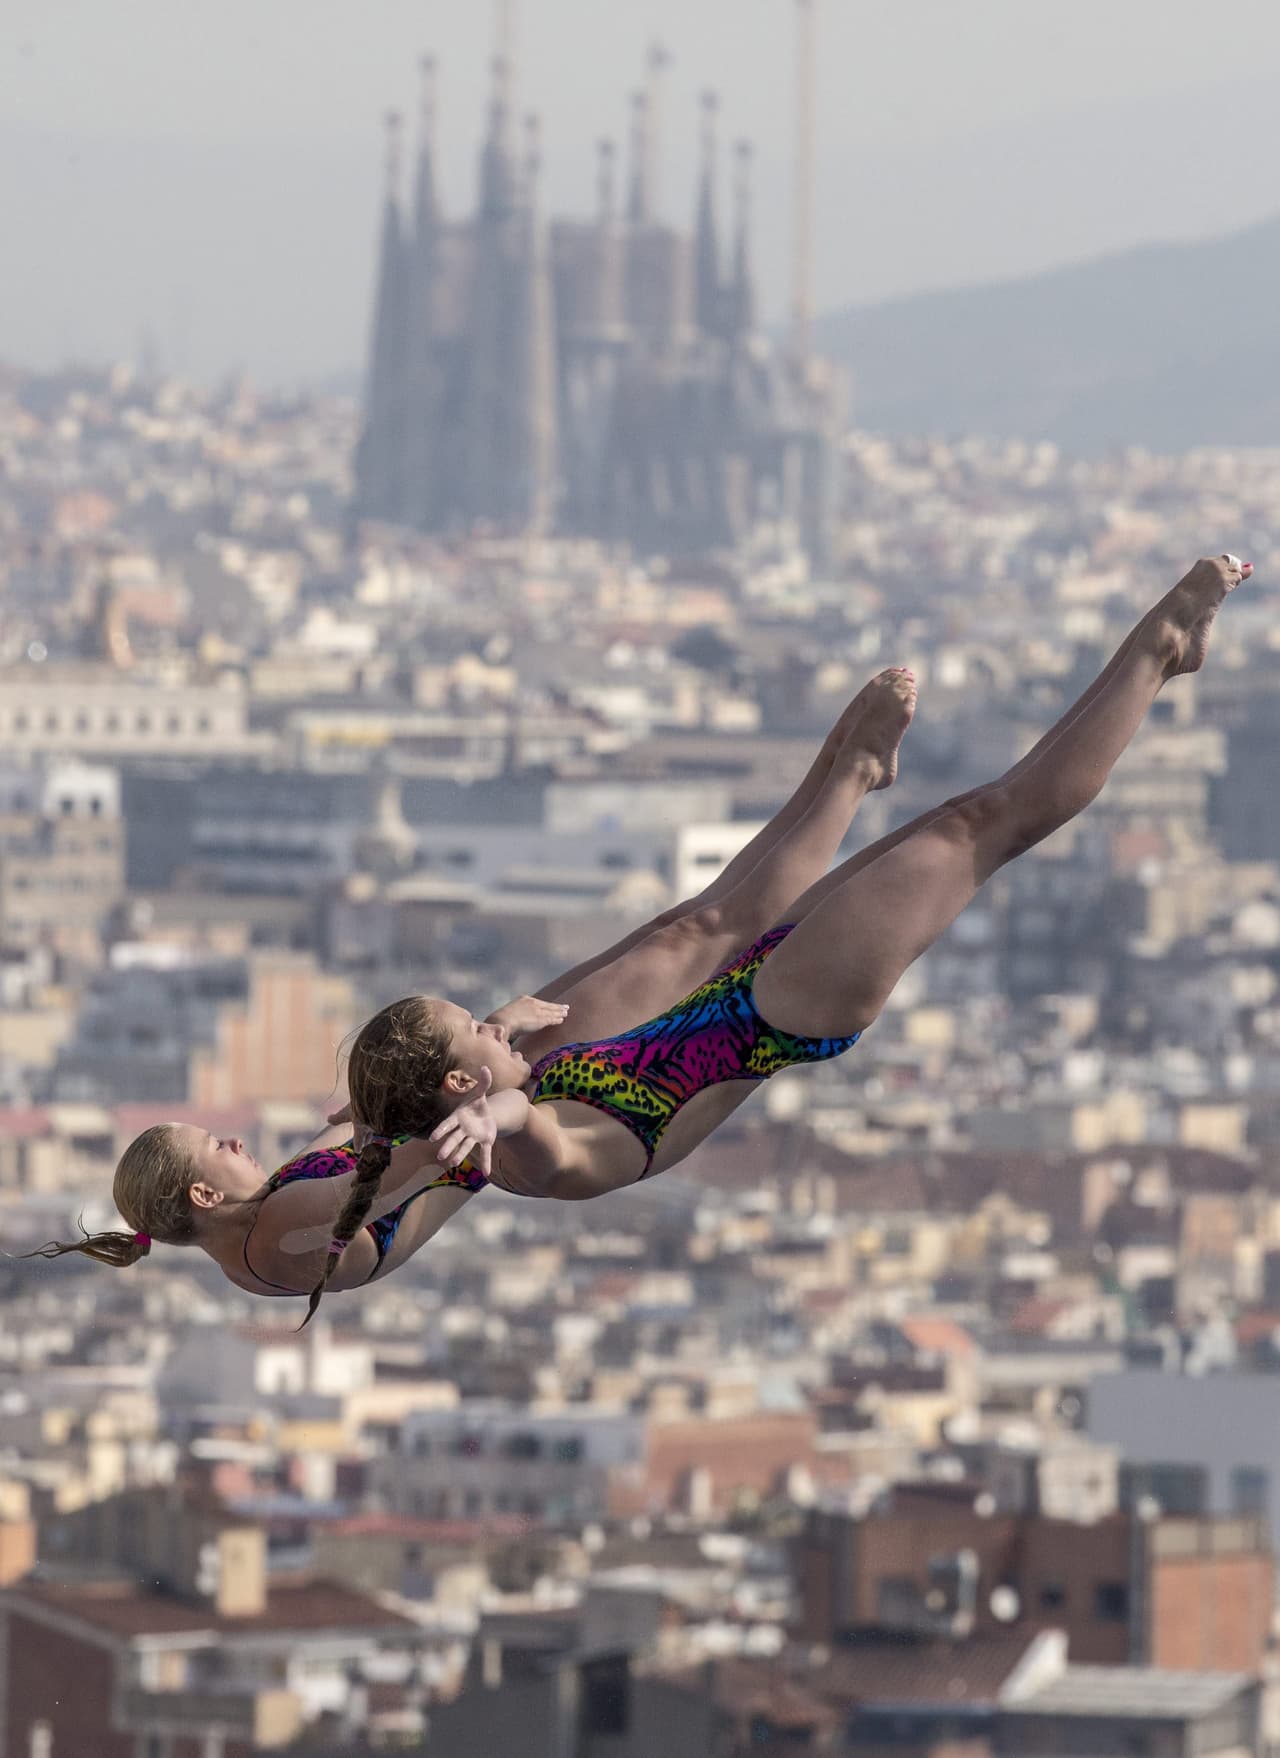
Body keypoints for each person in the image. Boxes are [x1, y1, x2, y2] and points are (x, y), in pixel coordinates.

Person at [295, 555, 1252, 1326]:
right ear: (464, 1094)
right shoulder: (529, 1154)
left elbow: (436, 1120)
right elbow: (526, 1132)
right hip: (784, 1013)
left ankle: (854, 772)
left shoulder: (506, 1079)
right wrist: (485, 1117)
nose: (494, 1022)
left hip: (736, 990)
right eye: (476, 1029)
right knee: (979, 823)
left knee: (708, 917)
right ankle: (1162, 650)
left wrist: (383, 1110)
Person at [24, 668, 912, 1294]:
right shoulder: (276, 1243)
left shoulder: (261, 1219)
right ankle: (852, 776)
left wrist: (444, 1060)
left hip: (505, 1100)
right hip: (556, 1127)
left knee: (687, 929)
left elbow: (403, 1139)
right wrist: (465, 1053)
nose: (232, 1138)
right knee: (712, 948)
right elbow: (429, 1149)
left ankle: (841, 774)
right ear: (202, 1197)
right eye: (214, 1144)